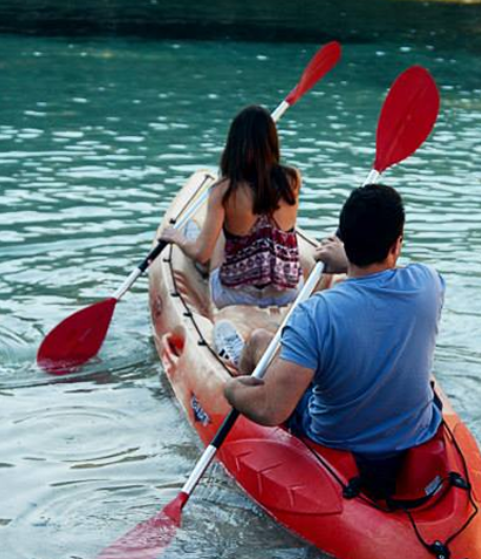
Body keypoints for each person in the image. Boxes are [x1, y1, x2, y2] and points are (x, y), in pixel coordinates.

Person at [224, 184, 444, 481]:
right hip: (413, 433)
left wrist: (230, 390)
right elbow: (393, 270)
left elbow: (271, 411)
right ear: (396, 245)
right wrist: (350, 261)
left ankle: (241, 365)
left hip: (336, 437)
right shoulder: (428, 285)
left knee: (261, 340)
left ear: (346, 243)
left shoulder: (315, 314)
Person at [160, 105, 302, 309]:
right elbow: (263, 192)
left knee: (222, 233)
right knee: (266, 231)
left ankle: (191, 235)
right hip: (286, 292)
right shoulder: (293, 179)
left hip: (235, 295)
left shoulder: (223, 190)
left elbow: (202, 254)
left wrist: (178, 238)